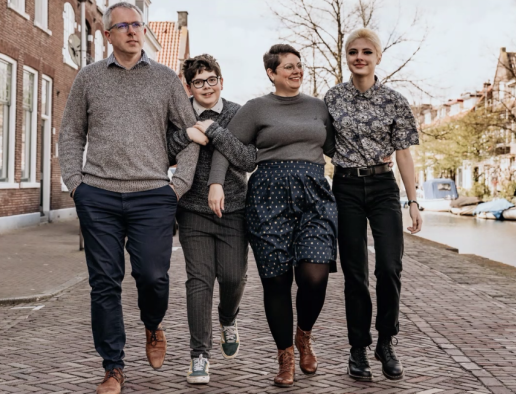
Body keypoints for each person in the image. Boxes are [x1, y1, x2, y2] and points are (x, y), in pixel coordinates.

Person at [58, 3, 199, 394]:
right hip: (98, 196)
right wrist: (75, 183)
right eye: (123, 26)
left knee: (153, 277)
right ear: (108, 35)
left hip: (153, 196)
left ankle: (153, 326)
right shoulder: (88, 79)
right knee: (104, 283)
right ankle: (113, 367)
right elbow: (70, 133)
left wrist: (178, 187)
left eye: (138, 24)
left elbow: (191, 136)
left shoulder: (167, 79)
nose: (133, 32)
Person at [195, 44, 337, 387]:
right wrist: (216, 184)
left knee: (314, 274)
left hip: (314, 195)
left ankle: (304, 334)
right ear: (271, 73)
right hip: (268, 197)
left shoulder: (320, 107)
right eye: (288, 67)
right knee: (276, 280)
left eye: (299, 66)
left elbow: (337, 146)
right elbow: (226, 146)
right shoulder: (257, 108)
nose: (296, 71)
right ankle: (285, 355)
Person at [324, 28, 423, 381]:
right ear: (347, 57)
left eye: (367, 51)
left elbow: (404, 154)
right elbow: (321, 142)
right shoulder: (332, 99)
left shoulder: (395, 100)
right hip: (346, 186)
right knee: (355, 274)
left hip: (383, 186)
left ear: (378, 57)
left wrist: (413, 202)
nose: (360, 57)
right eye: (353, 52)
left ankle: (385, 342)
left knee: (389, 267)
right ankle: (357, 348)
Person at [166, 54, 250, 385]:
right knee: (199, 281)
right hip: (192, 211)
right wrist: (188, 133)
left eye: (211, 79)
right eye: (199, 81)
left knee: (233, 277)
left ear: (221, 81)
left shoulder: (238, 113)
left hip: (234, 210)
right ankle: (199, 355)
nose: (206, 87)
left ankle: (228, 318)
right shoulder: (180, 114)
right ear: (189, 86)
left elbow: (246, 158)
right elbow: (163, 149)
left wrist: (214, 131)